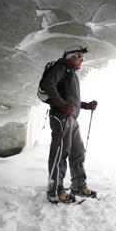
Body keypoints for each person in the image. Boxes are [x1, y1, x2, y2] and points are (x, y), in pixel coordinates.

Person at [40, 46, 98, 203]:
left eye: (82, 57)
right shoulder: (61, 67)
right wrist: (62, 105)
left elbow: (71, 100)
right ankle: (55, 190)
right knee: (61, 152)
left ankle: (79, 185)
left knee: (78, 151)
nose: (81, 59)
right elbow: (48, 85)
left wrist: (86, 105)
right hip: (61, 117)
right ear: (69, 56)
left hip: (71, 118)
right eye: (78, 56)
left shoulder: (70, 73)